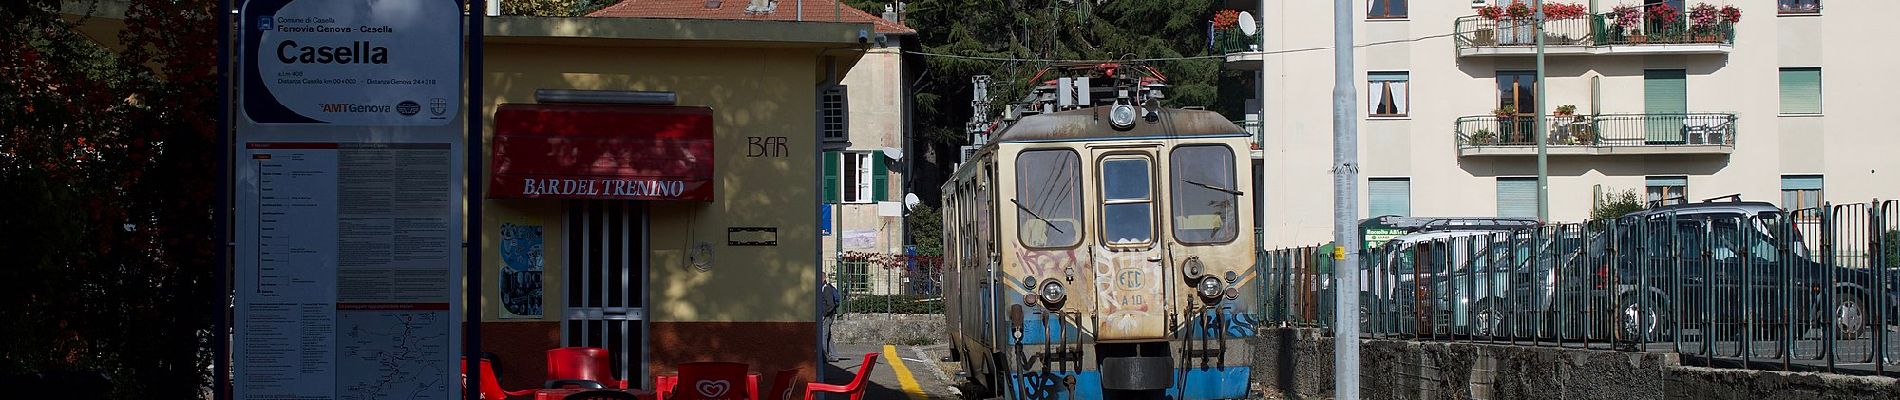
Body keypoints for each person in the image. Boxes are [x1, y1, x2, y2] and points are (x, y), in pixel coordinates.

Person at [818, 276, 841, 361]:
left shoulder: (826, 288)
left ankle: (824, 356)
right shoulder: (823, 288)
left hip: (827, 315)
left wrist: (824, 314)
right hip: (827, 315)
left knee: (823, 335)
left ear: (823, 278)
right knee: (828, 335)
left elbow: (831, 304)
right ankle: (834, 355)